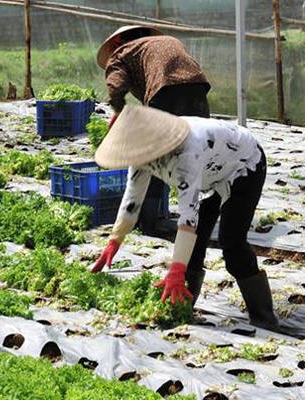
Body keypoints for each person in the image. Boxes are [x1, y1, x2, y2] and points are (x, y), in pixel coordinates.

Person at [90, 105, 283, 334]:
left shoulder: (186, 153)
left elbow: (187, 219)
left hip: (244, 165)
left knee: (231, 242)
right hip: (212, 172)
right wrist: (115, 239)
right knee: (193, 247)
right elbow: (133, 198)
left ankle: (264, 317)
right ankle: (181, 306)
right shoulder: (140, 151)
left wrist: (176, 271)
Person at [96, 25, 211, 240]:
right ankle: (205, 216)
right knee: (199, 151)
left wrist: (121, 112)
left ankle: (150, 222)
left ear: (117, 42)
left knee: (154, 157)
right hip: (198, 88)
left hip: (164, 93)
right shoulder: (168, 41)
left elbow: (115, 88)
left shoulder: (121, 53)